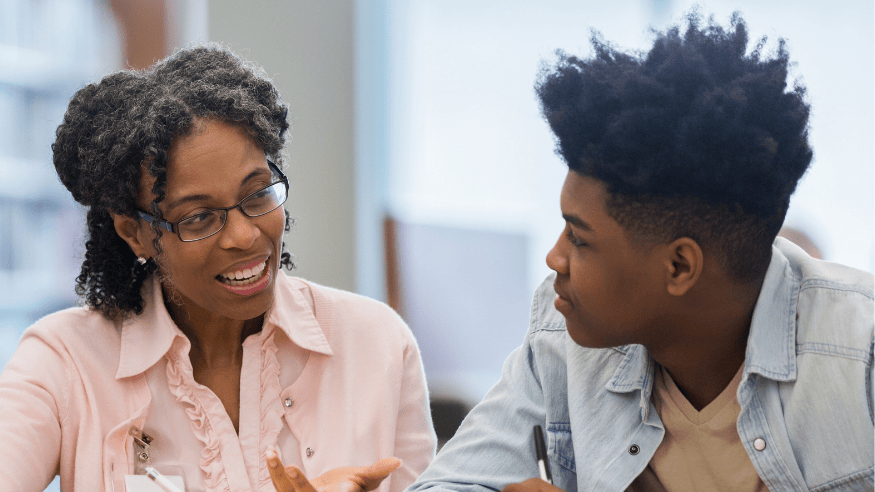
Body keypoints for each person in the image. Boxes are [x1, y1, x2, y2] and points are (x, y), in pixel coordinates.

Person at [407, 12, 873, 492]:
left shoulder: (861, 353)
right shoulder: (561, 335)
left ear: (679, 266)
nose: (555, 259)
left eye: (579, 238)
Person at [0, 44, 436, 492]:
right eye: (199, 217)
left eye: (258, 194)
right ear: (135, 233)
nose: (245, 236)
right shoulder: (63, 363)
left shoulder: (377, 345)